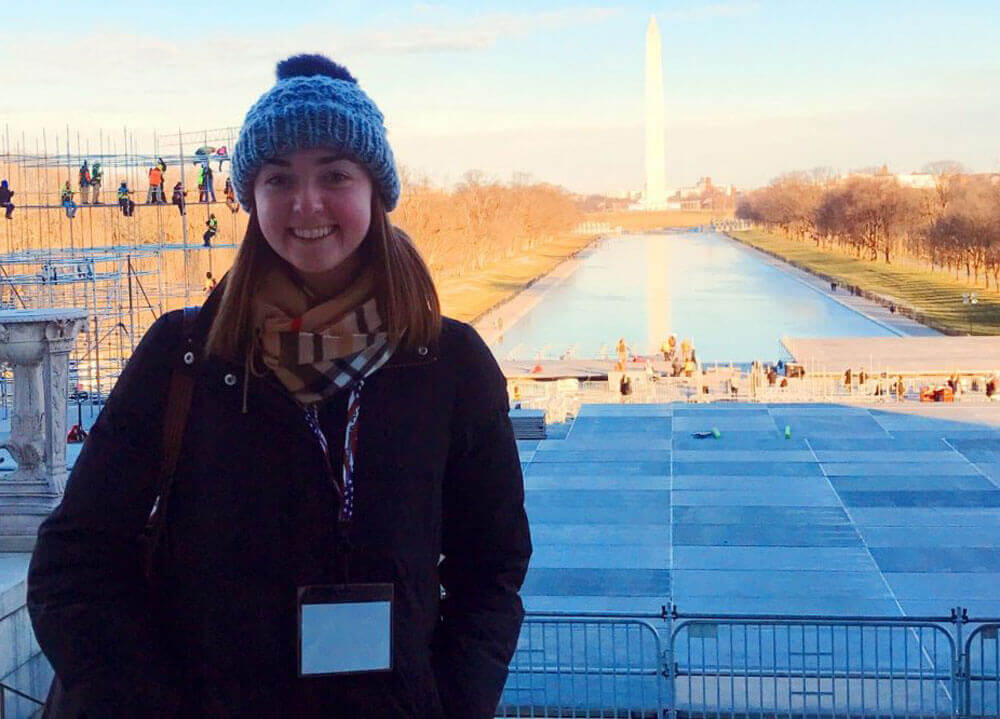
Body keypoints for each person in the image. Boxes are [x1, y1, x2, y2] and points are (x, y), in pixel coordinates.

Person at [28, 53, 530, 718]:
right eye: (278, 178)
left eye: (334, 175)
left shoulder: (450, 363)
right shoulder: (183, 358)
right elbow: (75, 561)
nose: (307, 203)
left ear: (375, 192)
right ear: (252, 196)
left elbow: (491, 566)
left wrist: (448, 704)